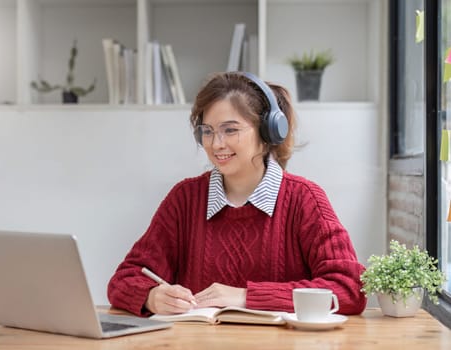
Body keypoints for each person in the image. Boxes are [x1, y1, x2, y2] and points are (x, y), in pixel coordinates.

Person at [107, 71, 366, 316]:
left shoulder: (304, 199)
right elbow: (124, 279)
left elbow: (349, 289)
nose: (216, 144)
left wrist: (245, 297)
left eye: (230, 130)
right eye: (207, 131)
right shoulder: (185, 198)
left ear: (267, 133)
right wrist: (152, 296)